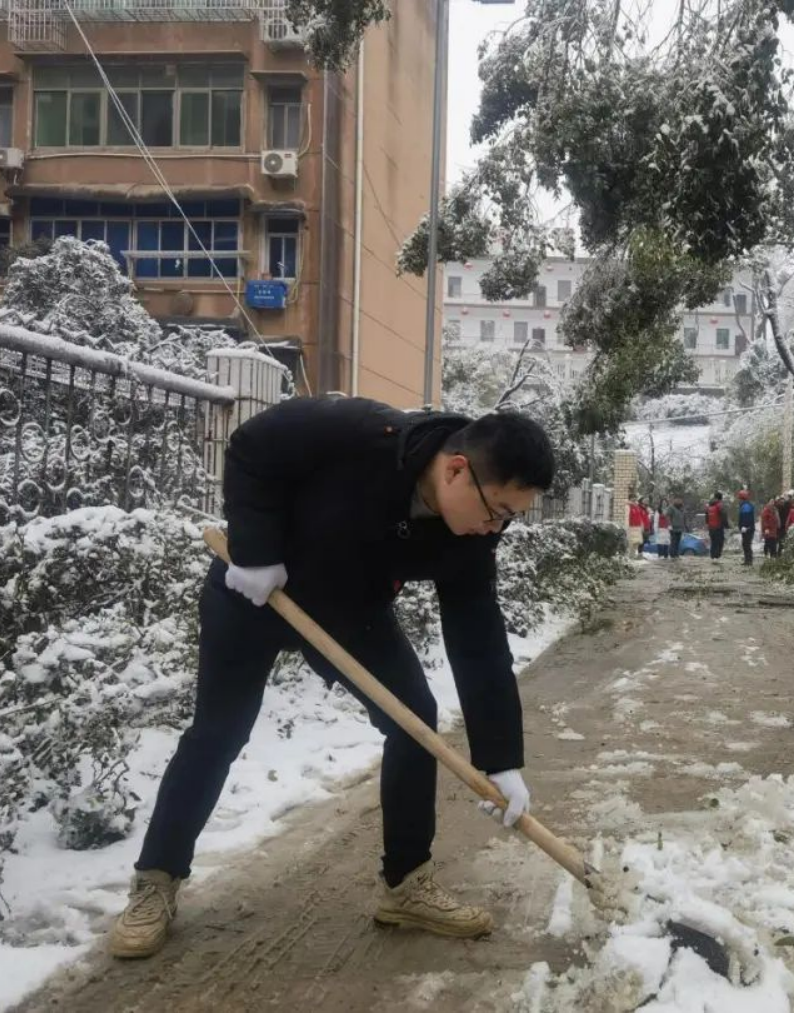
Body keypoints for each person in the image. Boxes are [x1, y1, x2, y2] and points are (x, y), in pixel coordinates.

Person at [107, 398, 554, 959]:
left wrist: (501, 760)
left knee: (413, 723)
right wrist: (255, 550)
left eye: (511, 518)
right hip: (256, 590)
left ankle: (406, 884)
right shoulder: (361, 434)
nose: (497, 528)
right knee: (218, 732)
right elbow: (251, 446)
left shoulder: (473, 537)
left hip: (350, 610)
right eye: (498, 511)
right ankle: (156, 880)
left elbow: (478, 639)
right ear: (456, 470)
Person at [706, 492, 729, 560]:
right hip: (718, 527)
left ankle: (712, 557)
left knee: (713, 542)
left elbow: (706, 517)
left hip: (711, 527)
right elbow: (724, 515)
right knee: (719, 542)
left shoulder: (709, 505)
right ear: (721, 498)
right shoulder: (719, 505)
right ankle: (716, 557)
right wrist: (726, 525)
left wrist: (708, 524)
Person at [736, 489, 756, 565]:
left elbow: (746, 517)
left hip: (747, 528)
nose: (739, 500)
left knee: (746, 544)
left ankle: (749, 560)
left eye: (739, 498)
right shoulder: (745, 505)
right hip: (747, 528)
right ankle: (747, 560)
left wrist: (744, 526)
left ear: (742, 498)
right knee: (745, 544)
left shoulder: (746, 506)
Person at [627, 493, 646, 558]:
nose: (634, 499)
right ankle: (630, 555)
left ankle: (633, 554)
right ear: (629, 499)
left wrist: (642, 525)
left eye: (635, 498)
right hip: (631, 527)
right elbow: (627, 517)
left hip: (638, 527)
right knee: (632, 542)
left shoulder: (637, 507)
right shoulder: (628, 506)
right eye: (632, 498)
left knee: (637, 542)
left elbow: (640, 516)